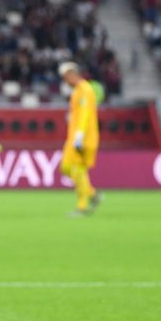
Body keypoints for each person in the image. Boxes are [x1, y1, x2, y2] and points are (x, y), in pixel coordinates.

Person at [58, 62, 99, 216]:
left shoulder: (85, 90)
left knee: (77, 170)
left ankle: (82, 206)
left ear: (72, 74)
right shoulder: (77, 91)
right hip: (74, 137)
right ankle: (92, 194)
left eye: (65, 78)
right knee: (66, 167)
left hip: (84, 138)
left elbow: (85, 113)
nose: (65, 81)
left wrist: (80, 134)